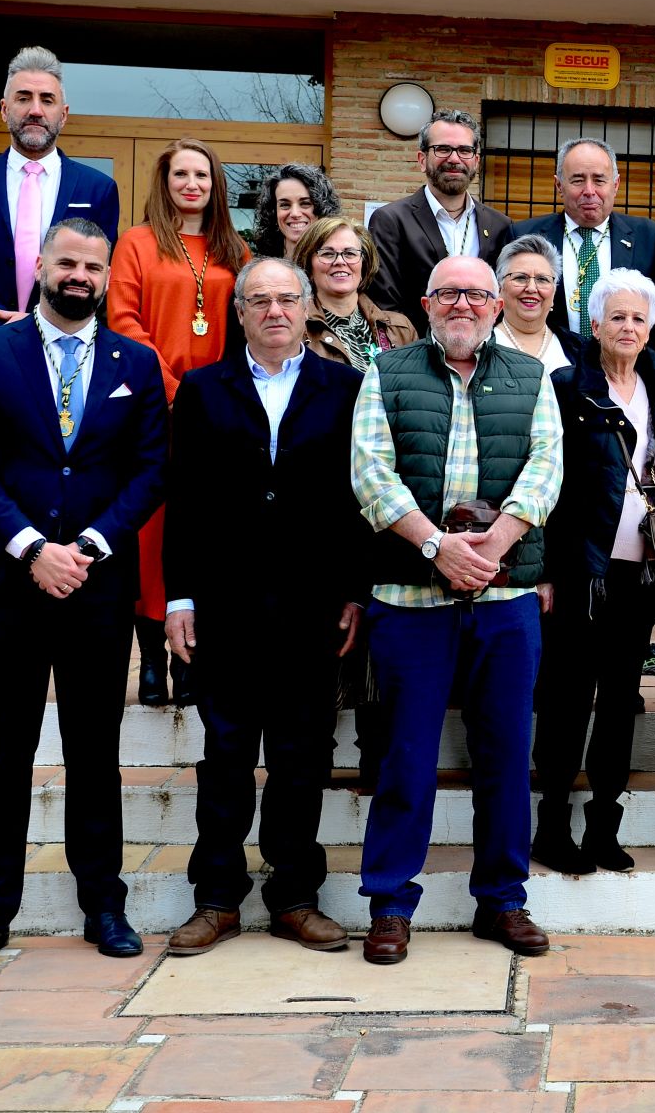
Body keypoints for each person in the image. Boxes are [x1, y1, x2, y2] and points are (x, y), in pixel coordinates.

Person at [0, 220, 168, 971]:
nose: (80, 275)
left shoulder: (134, 361)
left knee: (95, 750)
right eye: (67, 261)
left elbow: (149, 472)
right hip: (6, 586)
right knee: (4, 751)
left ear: (107, 276)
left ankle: (103, 902)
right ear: (41, 266)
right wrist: (34, 549)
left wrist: (91, 548)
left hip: (98, 590)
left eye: (93, 266)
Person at [351, 254, 563, 964]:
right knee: (406, 752)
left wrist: (496, 544)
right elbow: (371, 474)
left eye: (477, 294)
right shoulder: (386, 372)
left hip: (505, 598)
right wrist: (439, 546)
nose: (464, 305)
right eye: (450, 294)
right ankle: (389, 902)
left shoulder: (532, 378)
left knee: (505, 753)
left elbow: (545, 468)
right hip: (410, 597)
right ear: (427, 302)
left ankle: (502, 900)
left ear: (499, 306)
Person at [161, 258, 368, 954]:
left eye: (287, 299)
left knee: (301, 754)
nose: (274, 311)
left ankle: (294, 896)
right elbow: (182, 499)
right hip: (225, 602)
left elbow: (357, 500)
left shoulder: (345, 387)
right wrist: (179, 596)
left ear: (308, 308)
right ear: (241, 313)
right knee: (225, 753)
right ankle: (216, 898)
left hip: (312, 605)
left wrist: (353, 591)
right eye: (260, 301)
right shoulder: (201, 389)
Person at [0, 46, 120, 707]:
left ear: (65, 111)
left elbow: (99, 279)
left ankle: (65, 647)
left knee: (62, 495)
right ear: (4, 107)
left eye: (47, 99)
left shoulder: (98, 187)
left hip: (70, 366)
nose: (35, 110)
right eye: (24, 98)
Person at [532, 271, 655, 876]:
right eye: (616, 318)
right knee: (567, 699)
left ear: (650, 327)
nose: (628, 328)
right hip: (582, 570)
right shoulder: (568, 386)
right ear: (593, 325)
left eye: (638, 318)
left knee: (621, 700)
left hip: (641, 574)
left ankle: (604, 824)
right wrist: (547, 571)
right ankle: (552, 828)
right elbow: (547, 483)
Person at [107, 137, 250, 708]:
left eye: (203, 176)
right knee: (150, 533)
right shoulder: (137, 244)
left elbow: (249, 323)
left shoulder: (234, 248)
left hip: (218, 412)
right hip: (153, 405)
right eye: (180, 175)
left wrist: (213, 396)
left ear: (216, 185)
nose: (192, 185)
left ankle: (192, 658)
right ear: (164, 182)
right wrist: (174, 389)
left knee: (203, 531)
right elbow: (122, 320)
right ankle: (151, 660)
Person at [511, 137, 655, 350]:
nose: (589, 190)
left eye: (599, 180)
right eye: (578, 180)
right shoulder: (525, 235)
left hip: (623, 371)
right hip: (547, 369)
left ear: (615, 185)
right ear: (559, 185)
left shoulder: (651, 238)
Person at [367, 109, 514, 335]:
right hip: (416, 354)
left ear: (476, 161)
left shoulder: (499, 226)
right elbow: (385, 303)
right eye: (443, 149)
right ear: (422, 159)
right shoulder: (391, 221)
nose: (454, 159)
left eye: (465, 150)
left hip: (482, 354)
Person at [296, 215, 419, 372]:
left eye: (350, 253)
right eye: (327, 253)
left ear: (364, 264)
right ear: (309, 265)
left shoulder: (401, 329)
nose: (340, 261)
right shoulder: (297, 328)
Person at [489, 235, 582, 375]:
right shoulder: (480, 345)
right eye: (520, 278)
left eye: (542, 279)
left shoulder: (580, 348)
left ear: (554, 291)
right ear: (500, 288)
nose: (532, 288)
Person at [250, 163, 341, 262]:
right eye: (285, 205)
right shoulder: (261, 269)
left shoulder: (338, 264)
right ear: (273, 212)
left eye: (305, 203)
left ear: (323, 208)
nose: (295, 213)